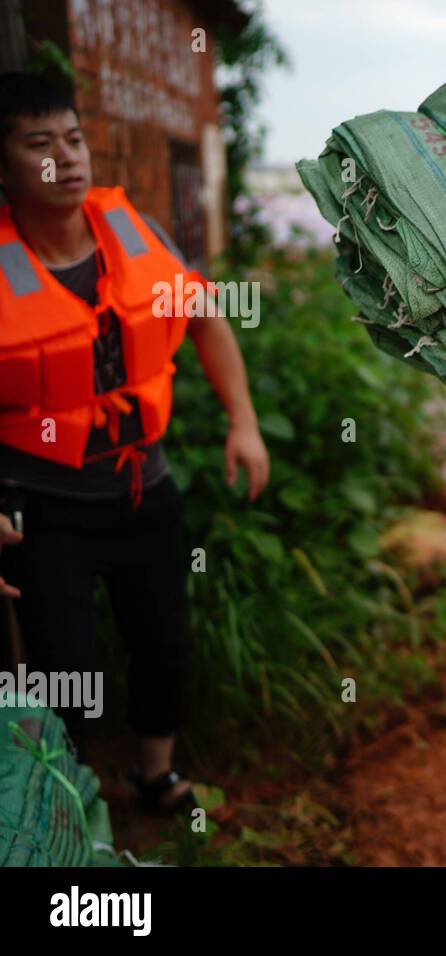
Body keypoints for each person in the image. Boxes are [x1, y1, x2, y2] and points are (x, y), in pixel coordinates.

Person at [0, 72, 270, 813]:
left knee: (164, 644)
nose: (68, 156)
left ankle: (157, 776)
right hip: (45, 507)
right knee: (62, 669)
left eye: (75, 138)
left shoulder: (135, 232)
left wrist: (241, 422)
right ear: (6, 166)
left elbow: (208, 317)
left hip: (144, 489)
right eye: (40, 144)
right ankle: (67, 805)